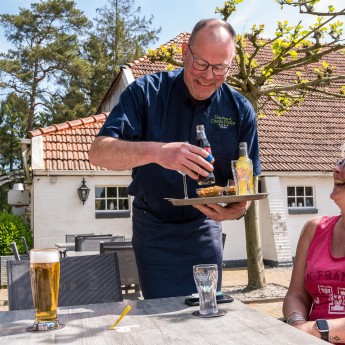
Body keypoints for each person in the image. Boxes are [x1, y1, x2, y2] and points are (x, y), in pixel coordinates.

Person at [88, 18, 261, 299]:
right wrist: (158, 152)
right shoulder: (145, 92)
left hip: (204, 227)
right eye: (201, 64)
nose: (208, 76)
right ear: (184, 52)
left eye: (220, 68)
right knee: (160, 316)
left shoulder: (240, 110)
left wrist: (237, 210)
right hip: (153, 226)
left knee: (206, 312)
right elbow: (99, 152)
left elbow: (246, 185)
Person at [283, 149, 345, 344]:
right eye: (340, 160)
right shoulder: (314, 228)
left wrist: (313, 330)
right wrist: (297, 324)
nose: (337, 167)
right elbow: (296, 294)